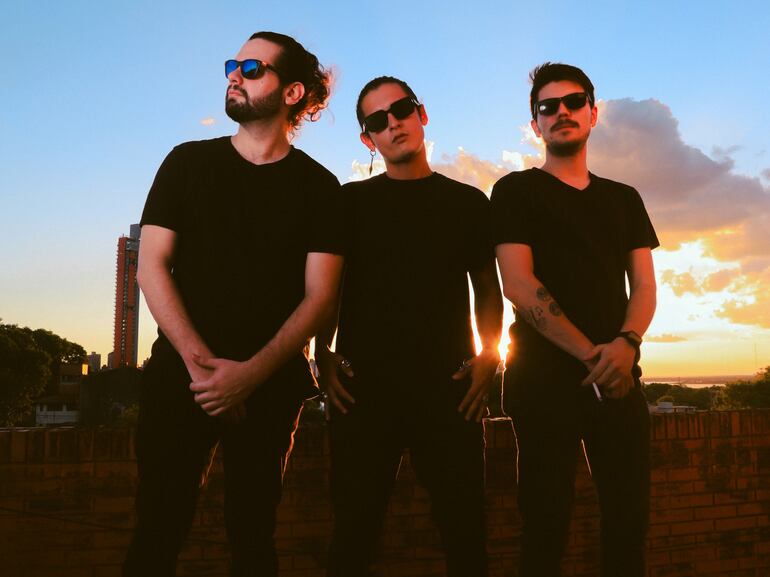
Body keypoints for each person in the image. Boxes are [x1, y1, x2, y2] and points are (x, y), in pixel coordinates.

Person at [123, 31, 345, 577]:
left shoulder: (320, 188)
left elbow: (321, 298)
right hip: (181, 380)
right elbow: (150, 267)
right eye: (232, 65)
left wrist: (248, 377)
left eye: (251, 68)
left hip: (270, 389)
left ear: (292, 92)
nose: (233, 75)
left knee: (252, 537)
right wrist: (205, 371)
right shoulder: (186, 163)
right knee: (156, 532)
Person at [317, 76, 504, 577]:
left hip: (449, 391)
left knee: (466, 535)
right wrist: (321, 352)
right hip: (362, 392)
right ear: (368, 139)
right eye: (378, 120)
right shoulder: (349, 203)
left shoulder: (468, 203)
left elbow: (488, 289)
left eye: (401, 110)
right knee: (352, 536)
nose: (393, 123)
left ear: (422, 114)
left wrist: (491, 354)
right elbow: (327, 289)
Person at [491, 62, 659, 577]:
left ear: (592, 112)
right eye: (548, 106)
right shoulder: (515, 191)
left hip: (620, 381)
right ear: (535, 123)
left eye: (573, 102)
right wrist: (595, 356)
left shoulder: (624, 198)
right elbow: (518, 284)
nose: (561, 112)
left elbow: (645, 286)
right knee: (545, 528)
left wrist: (627, 344)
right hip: (543, 385)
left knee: (628, 526)